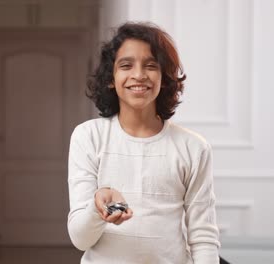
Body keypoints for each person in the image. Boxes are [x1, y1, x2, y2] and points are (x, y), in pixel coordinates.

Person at [67, 22, 220, 263]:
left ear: (164, 78)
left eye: (150, 66)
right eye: (126, 65)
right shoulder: (88, 137)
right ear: (111, 78)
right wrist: (98, 208)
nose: (139, 75)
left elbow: (203, 238)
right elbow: (80, 239)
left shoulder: (193, 147)